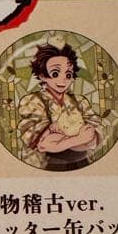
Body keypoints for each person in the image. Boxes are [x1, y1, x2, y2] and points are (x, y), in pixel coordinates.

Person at [17, 39, 103, 171]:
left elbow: (94, 137)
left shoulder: (80, 101)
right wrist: (79, 138)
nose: (63, 79)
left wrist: (60, 140)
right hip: (47, 165)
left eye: (68, 74)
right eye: (55, 73)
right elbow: (43, 144)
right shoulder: (32, 101)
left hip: (83, 162)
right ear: (42, 75)